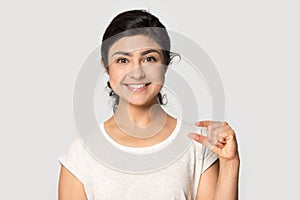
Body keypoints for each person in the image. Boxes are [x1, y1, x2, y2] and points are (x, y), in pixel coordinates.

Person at [58, 9, 240, 200]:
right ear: (106, 67)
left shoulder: (197, 145)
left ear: (166, 63)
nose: (137, 73)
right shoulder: (81, 153)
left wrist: (230, 163)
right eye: (122, 60)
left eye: (149, 59)